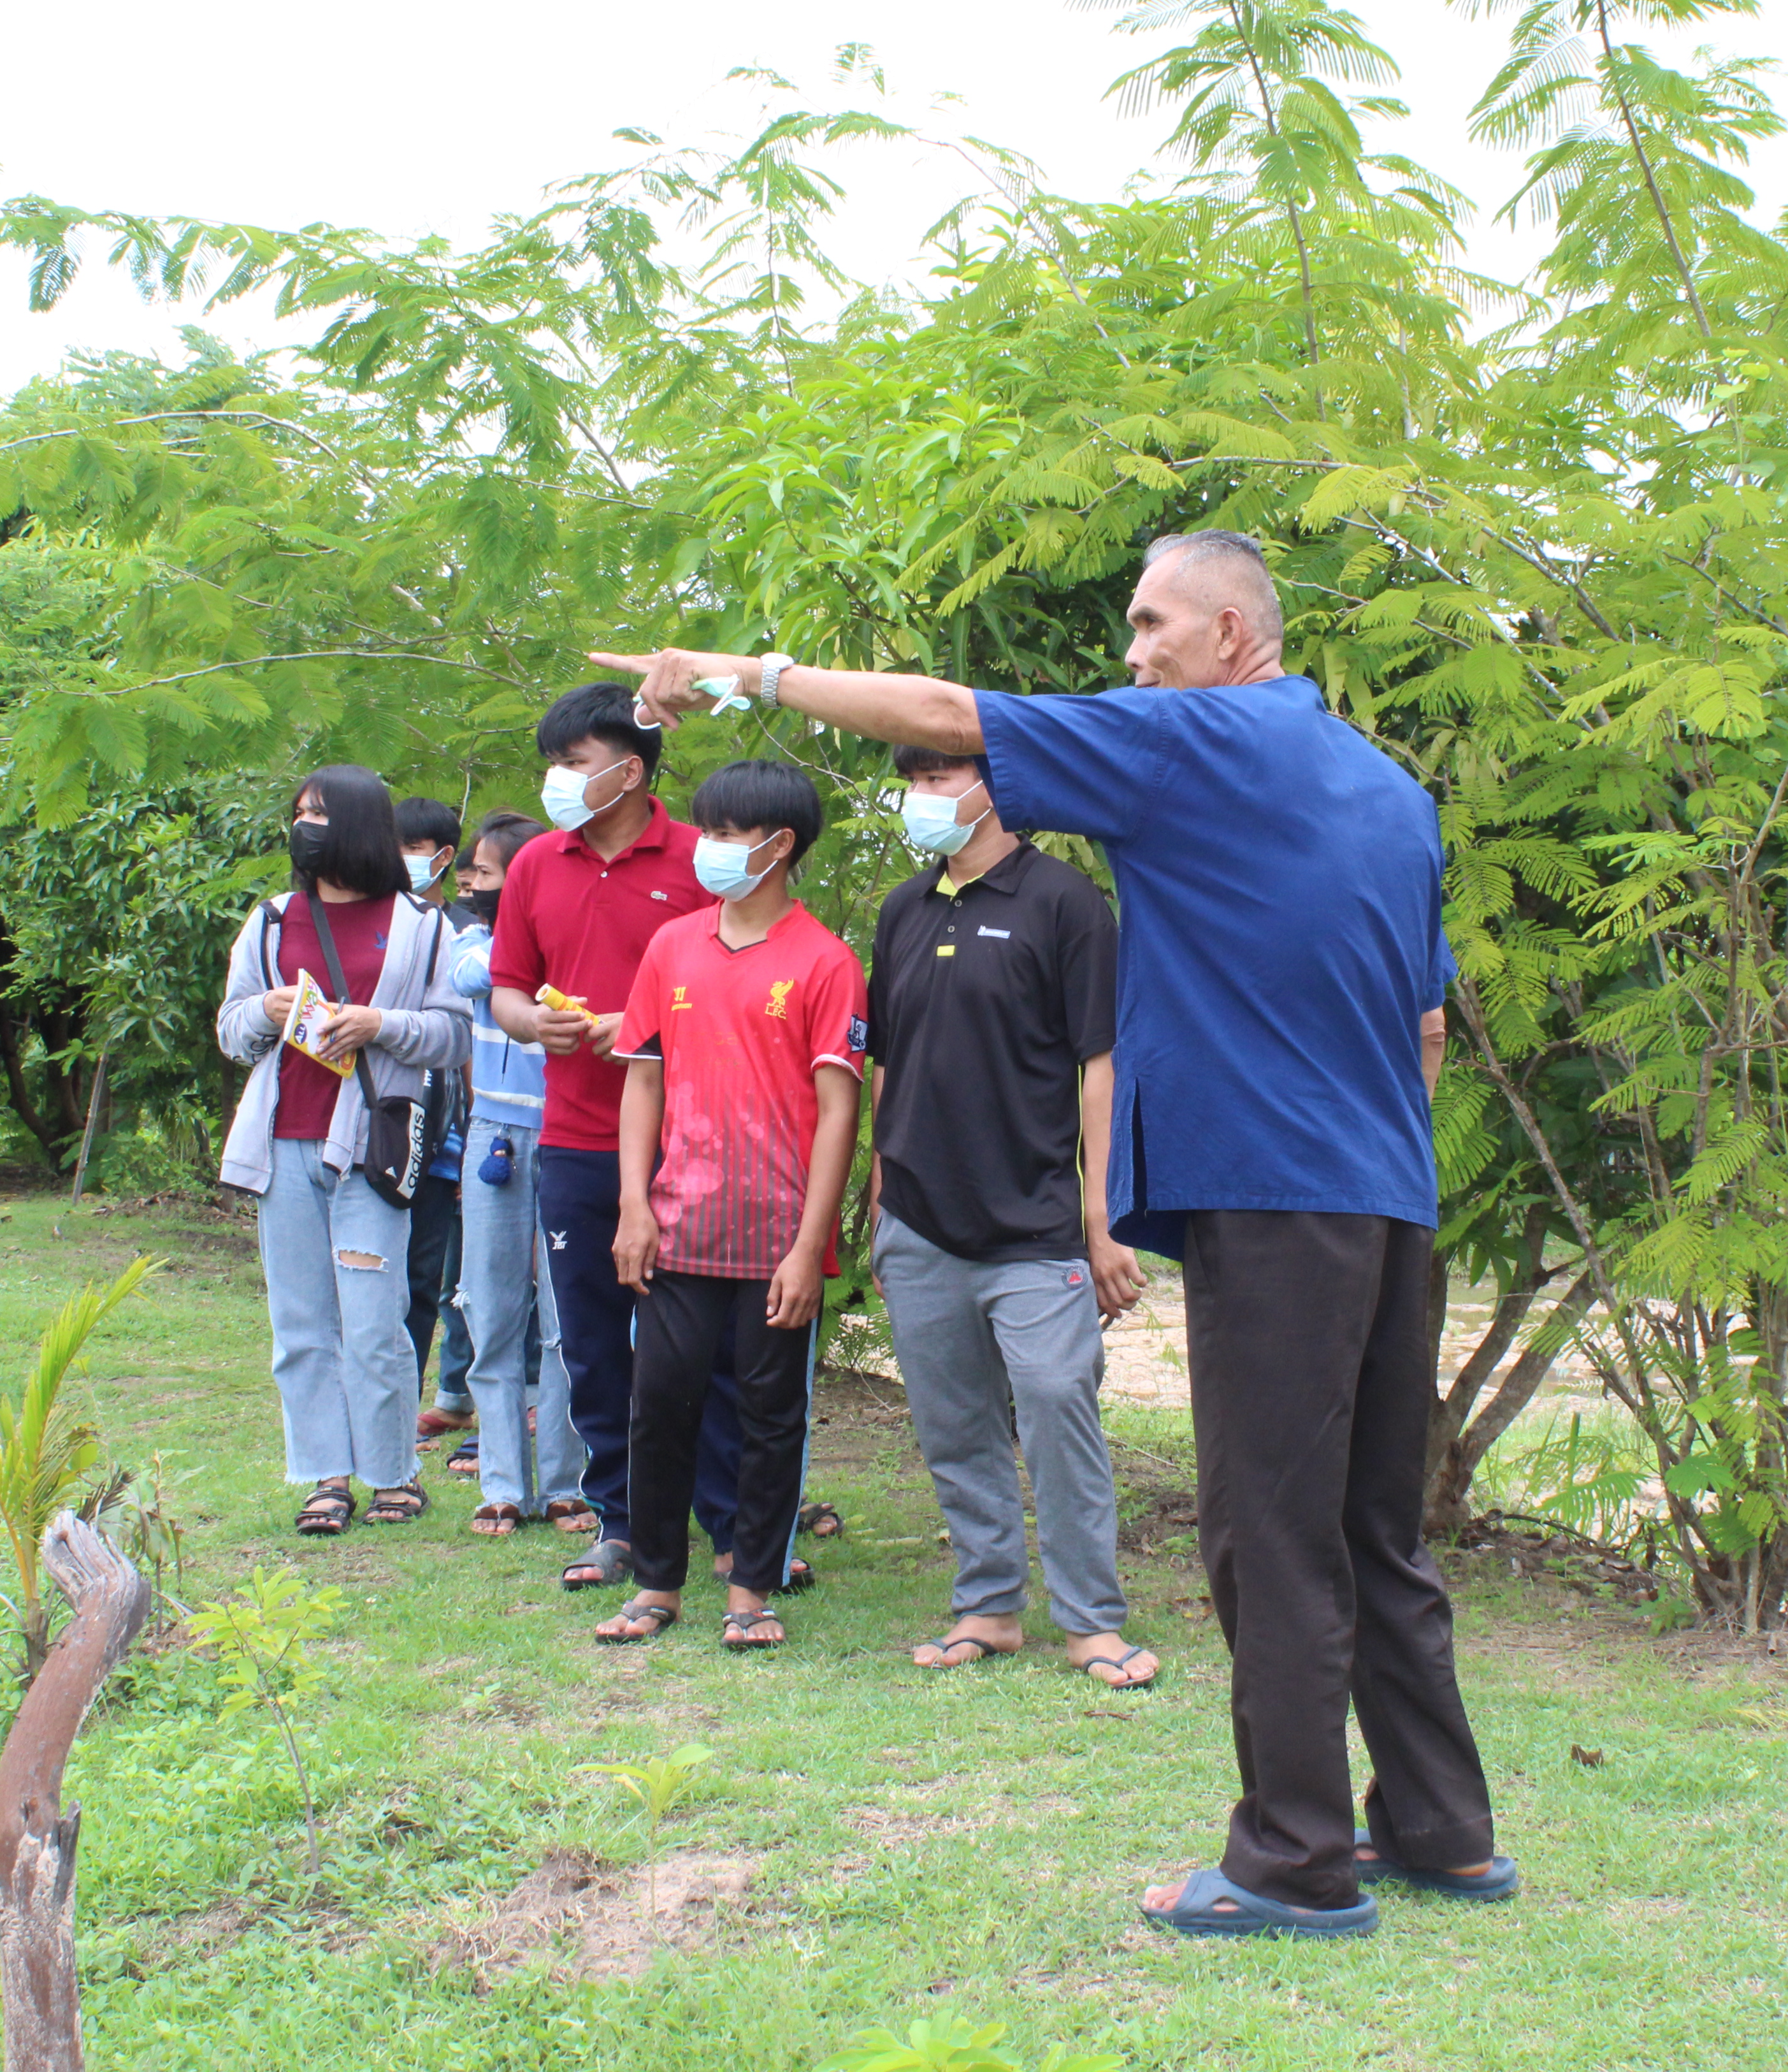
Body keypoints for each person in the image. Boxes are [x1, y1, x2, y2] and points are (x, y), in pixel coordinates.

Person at [598, 528, 1506, 1938]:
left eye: (1151, 624)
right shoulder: (1387, 790)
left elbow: (948, 715)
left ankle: (1292, 1862)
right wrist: (1363, 1145)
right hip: (1386, 1200)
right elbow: (1427, 1022)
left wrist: (748, 673)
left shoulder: (1198, 740)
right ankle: (1441, 1831)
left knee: (1270, 1534)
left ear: (1228, 633)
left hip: (1277, 1200)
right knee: (1371, 1528)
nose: (1131, 656)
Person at [865, 747, 1157, 1690]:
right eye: (914, 780)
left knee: (1057, 1403)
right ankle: (988, 1608)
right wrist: (879, 1200)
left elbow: (1101, 1064)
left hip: (1035, 1223)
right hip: (918, 1221)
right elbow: (887, 1063)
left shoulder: (1066, 904)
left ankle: (1091, 1621)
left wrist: (1103, 1218)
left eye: (941, 778)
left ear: (999, 789)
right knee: (953, 1424)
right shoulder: (904, 910)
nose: (921, 797)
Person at [589, 760, 863, 1653]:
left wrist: (811, 1246)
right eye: (705, 829)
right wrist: (634, 1206)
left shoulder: (825, 961)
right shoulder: (672, 947)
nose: (704, 847)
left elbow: (839, 1111)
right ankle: (657, 1585)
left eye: (724, 833)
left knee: (770, 1416)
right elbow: (642, 1080)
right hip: (678, 1226)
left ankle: (752, 1590)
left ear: (779, 846)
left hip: (779, 1237)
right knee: (659, 1404)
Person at [484, 685, 751, 1595]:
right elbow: (508, 989)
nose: (557, 780)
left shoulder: (701, 860)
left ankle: (732, 1525)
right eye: (553, 764)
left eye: (574, 763)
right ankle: (623, 1525)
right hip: (573, 1140)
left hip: (694, 1143)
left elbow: (737, 985)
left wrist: (639, 1031)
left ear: (631, 771)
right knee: (593, 1347)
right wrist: (536, 1024)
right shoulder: (534, 866)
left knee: (707, 1345)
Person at [213, 765, 472, 1537]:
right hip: (282, 1145)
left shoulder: (423, 926)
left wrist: (378, 1025)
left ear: (360, 823)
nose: (306, 826)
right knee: (300, 1324)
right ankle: (326, 1477)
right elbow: (230, 1031)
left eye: (321, 813)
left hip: (370, 1152)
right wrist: (264, 1010)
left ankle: (394, 1472)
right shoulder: (270, 920)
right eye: (300, 813)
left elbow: (455, 1034)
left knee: (373, 1321)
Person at [443, 809, 589, 1535]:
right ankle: (501, 1484)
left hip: (568, 1133)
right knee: (493, 1311)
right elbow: (470, 975)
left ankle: (566, 1484)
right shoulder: (475, 942)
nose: (472, 883)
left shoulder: (574, 941)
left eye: (487, 872)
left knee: (567, 1321)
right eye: (472, 871)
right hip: (495, 1137)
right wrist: (528, 936)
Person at [393, 797, 478, 1427]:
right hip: (381, 1135)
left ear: (443, 857)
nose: (397, 859)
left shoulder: (467, 931)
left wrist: (473, 1137)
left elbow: (472, 1045)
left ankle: (409, 1412)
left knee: (429, 1282)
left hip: (447, 1143)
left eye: (411, 848)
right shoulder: (377, 924)